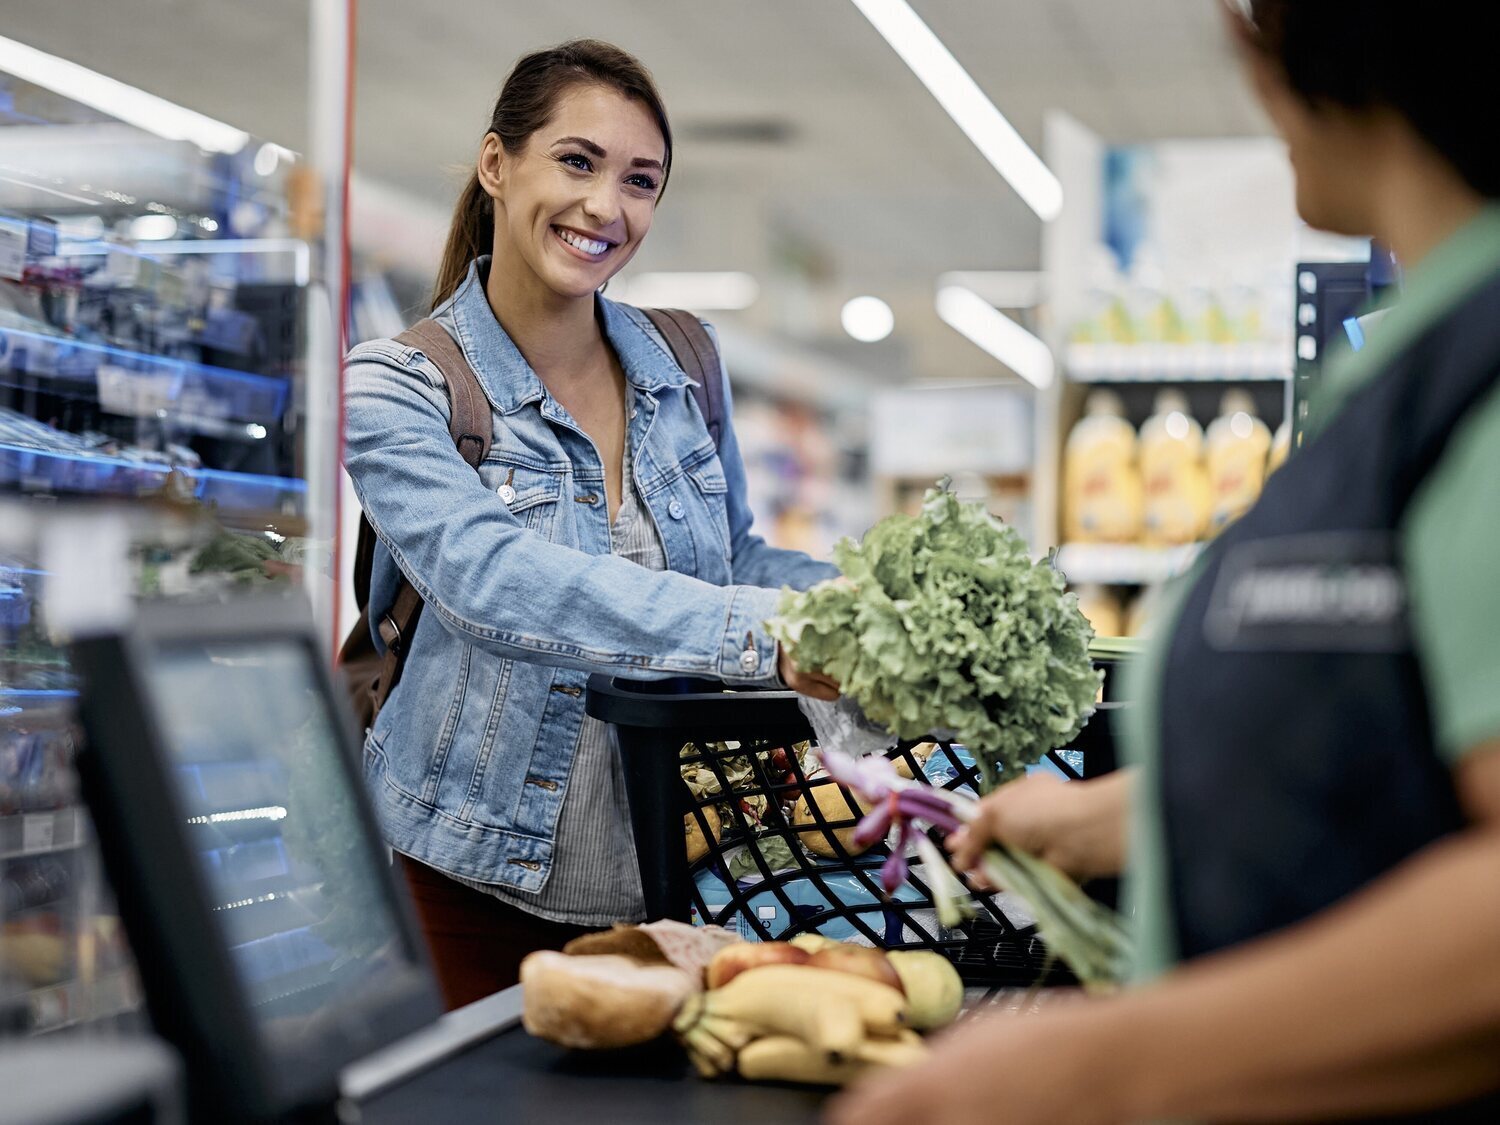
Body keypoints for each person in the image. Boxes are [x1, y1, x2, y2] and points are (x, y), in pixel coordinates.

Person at [829, 2, 1500, 1121]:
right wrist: (1120, 819)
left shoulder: (1478, 375)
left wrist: (1098, 1067)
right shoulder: (1410, 358)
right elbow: (1388, 749)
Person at [343, 39, 837, 1010]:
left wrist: (861, 604)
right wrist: (760, 636)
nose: (606, 207)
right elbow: (492, 579)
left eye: (640, 181)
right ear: (497, 163)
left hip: (679, 878)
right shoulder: (397, 387)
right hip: (465, 883)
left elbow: (732, 556)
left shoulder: (680, 360)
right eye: (577, 161)